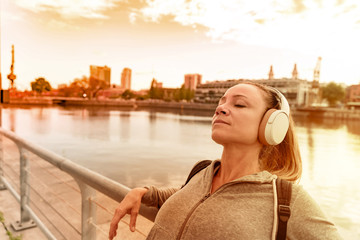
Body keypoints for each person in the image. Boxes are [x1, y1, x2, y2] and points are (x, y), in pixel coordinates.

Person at [109, 82, 342, 240]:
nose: (221, 108)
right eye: (222, 102)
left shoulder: (287, 200)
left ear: (272, 124)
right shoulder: (202, 172)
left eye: (238, 104)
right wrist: (144, 192)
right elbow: (190, 197)